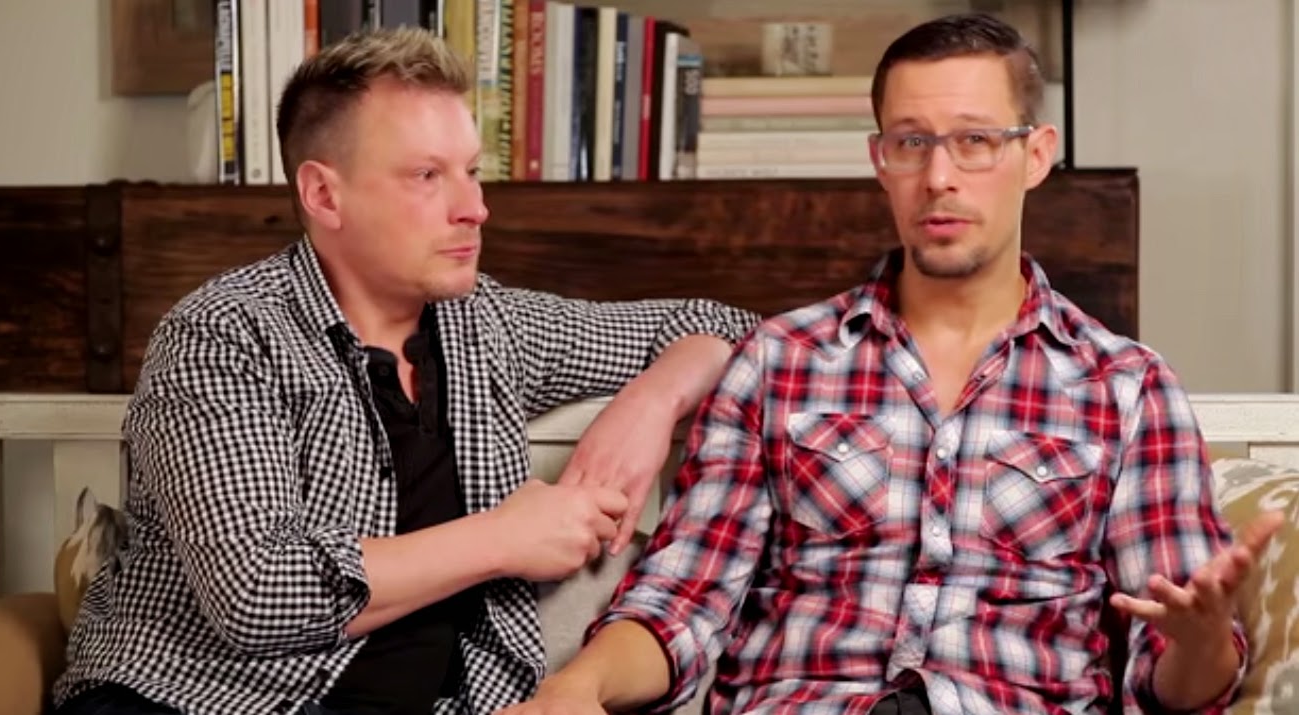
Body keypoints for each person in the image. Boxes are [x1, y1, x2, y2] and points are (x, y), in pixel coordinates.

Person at [503, 12, 1284, 715]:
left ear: (1036, 154)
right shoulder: (778, 361)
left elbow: (1179, 678)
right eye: (911, 142)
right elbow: (681, 601)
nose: (938, 176)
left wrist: (1198, 641)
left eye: (974, 140)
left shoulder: (1126, 387)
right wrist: (576, 687)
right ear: (880, 159)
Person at [51, 26, 758, 715]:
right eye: (427, 175)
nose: (474, 208)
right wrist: (504, 538)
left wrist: (650, 404)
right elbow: (257, 593)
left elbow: (730, 327)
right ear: (324, 195)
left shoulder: (488, 325)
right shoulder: (223, 334)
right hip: (193, 698)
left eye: (471, 171)